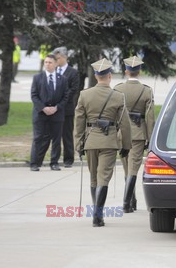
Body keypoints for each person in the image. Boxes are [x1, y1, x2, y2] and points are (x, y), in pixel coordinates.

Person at [74, 59, 132, 227]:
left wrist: (79, 144)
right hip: (109, 142)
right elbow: (125, 124)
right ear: (109, 76)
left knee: (94, 179)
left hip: (91, 141)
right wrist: (126, 146)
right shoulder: (118, 96)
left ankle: (96, 212)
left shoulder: (84, 95)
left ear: (96, 76)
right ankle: (97, 216)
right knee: (103, 179)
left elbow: (78, 122)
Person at [114, 56, 155, 213]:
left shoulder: (118, 89)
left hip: (121, 134)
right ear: (140, 72)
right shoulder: (146, 90)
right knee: (133, 169)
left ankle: (132, 200)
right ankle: (127, 202)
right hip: (138, 134)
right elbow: (150, 118)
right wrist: (150, 139)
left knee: (126, 168)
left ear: (126, 71)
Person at [29, 54, 69, 171]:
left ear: (56, 64)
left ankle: (54, 162)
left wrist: (57, 107)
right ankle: (35, 163)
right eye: (46, 62)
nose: (47, 64)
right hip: (40, 114)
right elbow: (34, 95)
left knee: (56, 139)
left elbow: (66, 96)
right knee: (38, 138)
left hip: (57, 114)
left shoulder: (63, 79)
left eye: (50, 62)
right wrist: (43, 108)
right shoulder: (37, 78)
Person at [54, 47, 80, 168]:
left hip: (66, 109)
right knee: (55, 135)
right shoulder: (54, 71)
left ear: (64, 58)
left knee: (67, 135)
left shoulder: (73, 72)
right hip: (54, 108)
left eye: (58, 58)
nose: (56, 60)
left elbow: (74, 89)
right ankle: (54, 158)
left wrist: (61, 99)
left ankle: (68, 159)